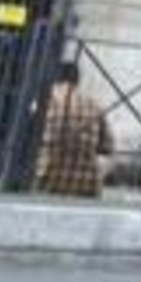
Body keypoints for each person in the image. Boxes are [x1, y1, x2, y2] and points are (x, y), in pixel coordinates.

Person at [32, 60, 111, 198]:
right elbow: (107, 147)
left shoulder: (42, 101)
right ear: (77, 80)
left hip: (46, 180)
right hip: (87, 184)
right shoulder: (94, 104)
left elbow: (27, 137)